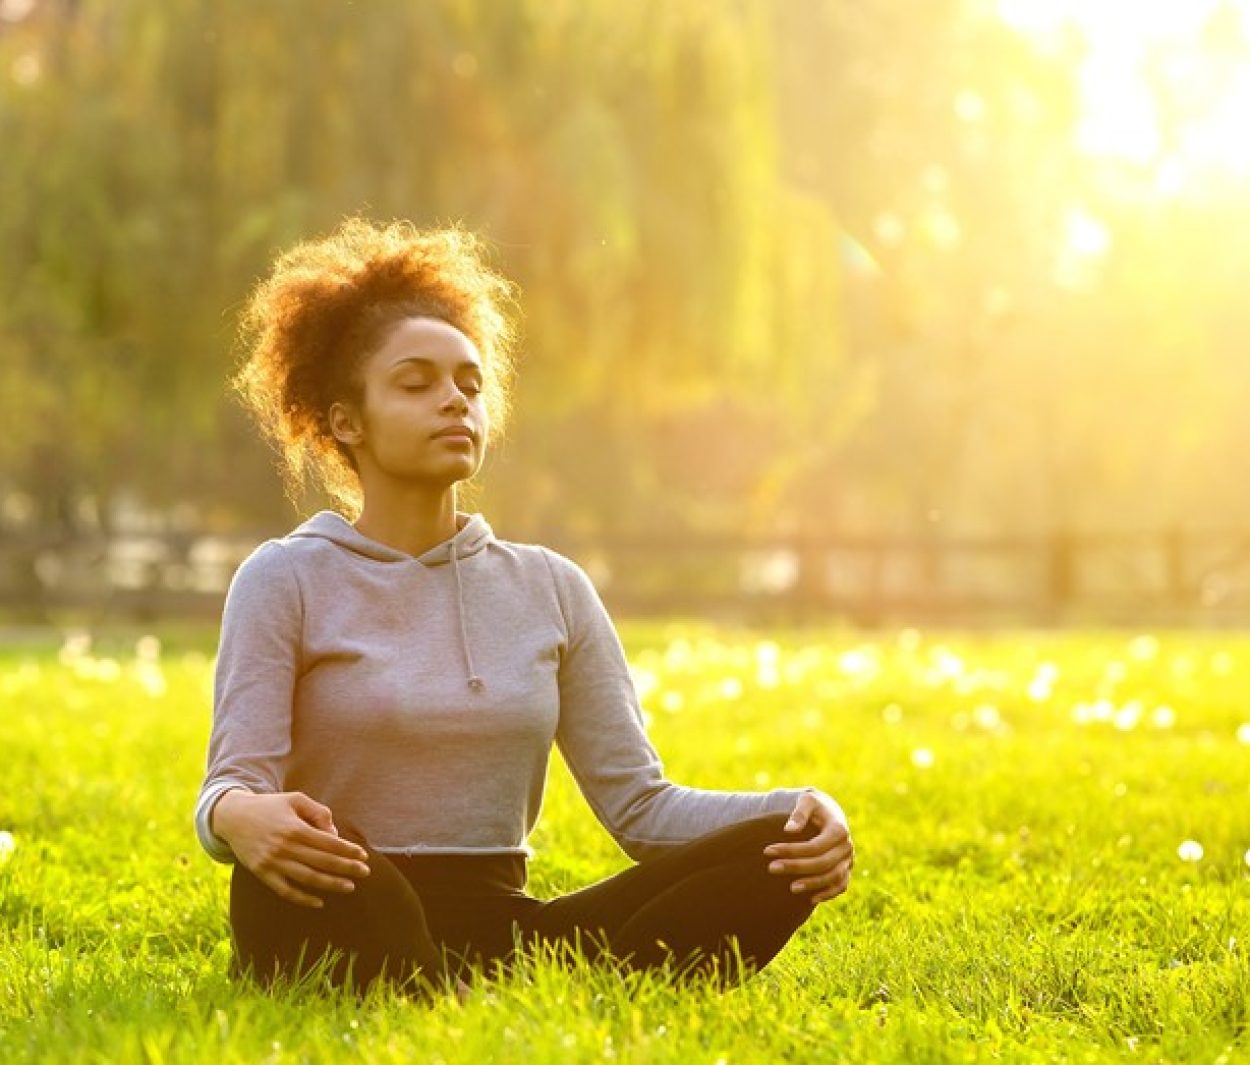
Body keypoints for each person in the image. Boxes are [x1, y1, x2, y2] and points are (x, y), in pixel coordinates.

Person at [194, 218, 854, 999]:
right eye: (417, 383)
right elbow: (231, 785)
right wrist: (239, 818)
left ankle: (448, 987)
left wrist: (804, 812)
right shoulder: (284, 578)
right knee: (329, 880)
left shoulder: (550, 586)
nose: (455, 402)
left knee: (779, 853)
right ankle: (432, 983)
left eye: (469, 385)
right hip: (341, 896)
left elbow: (642, 807)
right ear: (347, 420)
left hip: (506, 928)